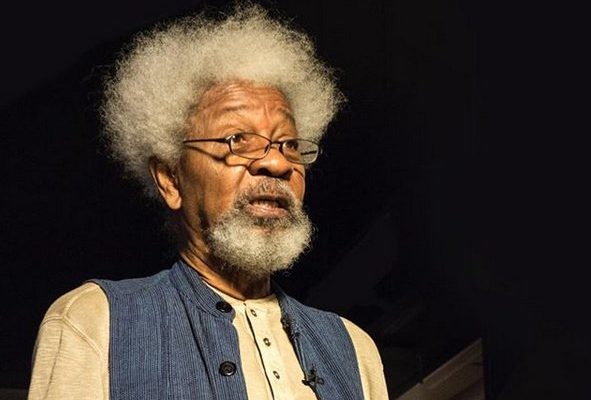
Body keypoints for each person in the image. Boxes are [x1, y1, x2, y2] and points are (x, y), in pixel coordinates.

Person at [28, 5, 388, 399]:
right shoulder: (95, 321)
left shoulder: (355, 350)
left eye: (288, 144)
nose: (276, 163)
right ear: (170, 180)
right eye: (237, 140)